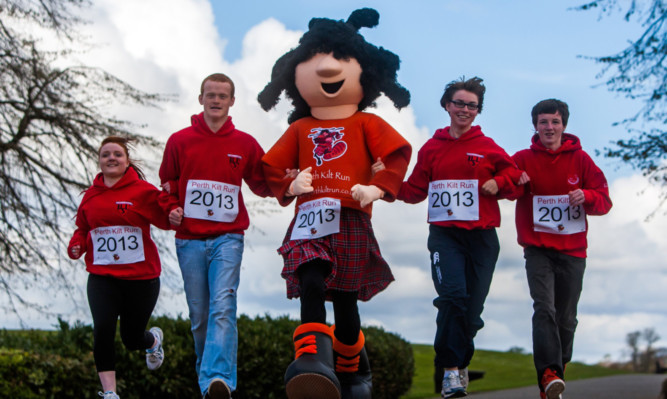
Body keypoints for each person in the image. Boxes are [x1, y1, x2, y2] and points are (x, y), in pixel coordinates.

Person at [258, 8, 411, 399]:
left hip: (350, 216)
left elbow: (395, 155)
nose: (327, 69)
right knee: (310, 278)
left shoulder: (366, 123)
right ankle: (312, 363)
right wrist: (291, 185)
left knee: (344, 300)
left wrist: (376, 188)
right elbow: (271, 166)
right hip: (310, 216)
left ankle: (351, 371)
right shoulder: (300, 128)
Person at [396, 77, 525, 398]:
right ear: (447, 106)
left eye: (472, 105)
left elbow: (514, 179)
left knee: (470, 313)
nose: (465, 110)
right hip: (445, 237)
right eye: (459, 103)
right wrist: (382, 183)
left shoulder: (488, 147)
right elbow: (413, 191)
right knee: (452, 297)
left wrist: (499, 181)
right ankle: (451, 372)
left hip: (482, 239)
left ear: (478, 111)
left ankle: (458, 363)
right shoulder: (431, 148)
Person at [158, 73, 272, 399]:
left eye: (223, 95)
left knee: (223, 306)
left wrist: (289, 183)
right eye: (211, 94)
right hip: (189, 240)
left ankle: (217, 380)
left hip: (228, 237)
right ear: (201, 99)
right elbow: (166, 185)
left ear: (232, 101)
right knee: (200, 318)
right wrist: (172, 208)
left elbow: (262, 183)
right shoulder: (179, 141)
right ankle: (207, 383)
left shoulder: (246, 144)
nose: (216, 100)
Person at [509, 99, 612, 399]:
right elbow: (504, 186)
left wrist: (587, 196)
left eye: (554, 122)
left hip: (573, 251)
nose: (549, 127)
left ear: (564, 125)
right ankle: (548, 374)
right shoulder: (522, 158)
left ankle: (558, 370)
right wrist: (517, 182)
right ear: (535, 126)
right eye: (543, 122)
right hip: (537, 249)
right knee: (544, 309)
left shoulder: (582, 160)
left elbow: (605, 201)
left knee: (567, 318)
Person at [67, 136, 170, 399]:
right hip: (102, 277)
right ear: (100, 162)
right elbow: (82, 229)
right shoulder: (90, 197)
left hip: (141, 278)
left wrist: (175, 214)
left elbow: (166, 219)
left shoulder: (143, 192)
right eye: (106, 155)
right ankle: (110, 393)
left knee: (131, 338)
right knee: (102, 328)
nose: (111, 158)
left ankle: (153, 341)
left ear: (126, 162)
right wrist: (77, 245)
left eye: (117, 154)